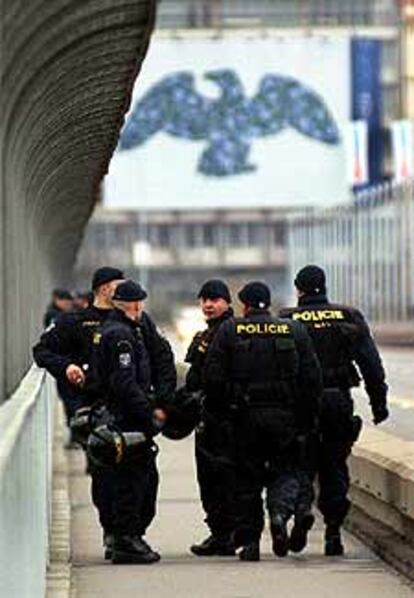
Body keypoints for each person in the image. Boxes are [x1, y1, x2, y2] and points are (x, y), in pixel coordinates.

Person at [33, 267, 176, 557]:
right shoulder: (76, 321)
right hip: (97, 411)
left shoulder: (138, 322)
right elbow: (42, 351)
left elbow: (162, 357)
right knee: (108, 478)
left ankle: (125, 534)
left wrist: (161, 401)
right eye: (116, 285)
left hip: (131, 408)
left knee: (138, 477)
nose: (122, 289)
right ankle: (117, 535)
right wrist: (67, 367)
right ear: (102, 289)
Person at [204, 282, 322, 561]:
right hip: (285, 418)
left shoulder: (230, 330)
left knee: (246, 480)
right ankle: (279, 515)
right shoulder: (293, 330)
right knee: (284, 471)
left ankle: (250, 543)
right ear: (267, 303)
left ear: (243, 305)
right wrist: (305, 420)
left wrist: (221, 416)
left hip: (243, 418)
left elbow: (213, 379)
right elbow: (312, 380)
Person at [280, 265, 389, 556]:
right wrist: (379, 404)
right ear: (324, 287)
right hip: (337, 401)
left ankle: (302, 509)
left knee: (300, 463)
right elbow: (371, 365)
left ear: (299, 290)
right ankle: (332, 532)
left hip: (300, 405)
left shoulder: (286, 319)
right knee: (334, 464)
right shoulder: (348, 317)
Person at [97, 280, 167, 564]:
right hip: (128, 421)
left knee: (130, 480)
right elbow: (125, 383)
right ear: (133, 304)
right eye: (138, 303)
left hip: (120, 417)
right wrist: (148, 415)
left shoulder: (119, 331)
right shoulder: (122, 336)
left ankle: (125, 537)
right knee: (136, 482)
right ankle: (127, 539)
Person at [185, 280, 236, 557]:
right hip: (211, 416)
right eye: (204, 299)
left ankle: (225, 534)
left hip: (223, 417)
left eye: (214, 299)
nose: (208, 305)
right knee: (212, 477)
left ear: (227, 303)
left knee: (219, 476)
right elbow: (193, 378)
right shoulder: (205, 336)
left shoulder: (232, 332)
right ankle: (222, 533)